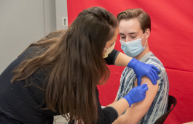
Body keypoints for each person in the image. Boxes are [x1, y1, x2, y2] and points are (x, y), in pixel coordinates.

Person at [0, 7, 159, 124]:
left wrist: (133, 63)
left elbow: (102, 51)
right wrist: (129, 99)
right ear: (98, 47)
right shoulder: (79, 74)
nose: (118, 46)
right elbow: (99, 121)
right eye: (112, 43)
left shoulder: (62, 40)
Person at [113, 9, 169, 124]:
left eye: (133, 36)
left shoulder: (151, 71)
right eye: (122, 37)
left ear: (146, 33)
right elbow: (116, 104)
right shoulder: (130, 65)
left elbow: (128, 121)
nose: (127, 42)